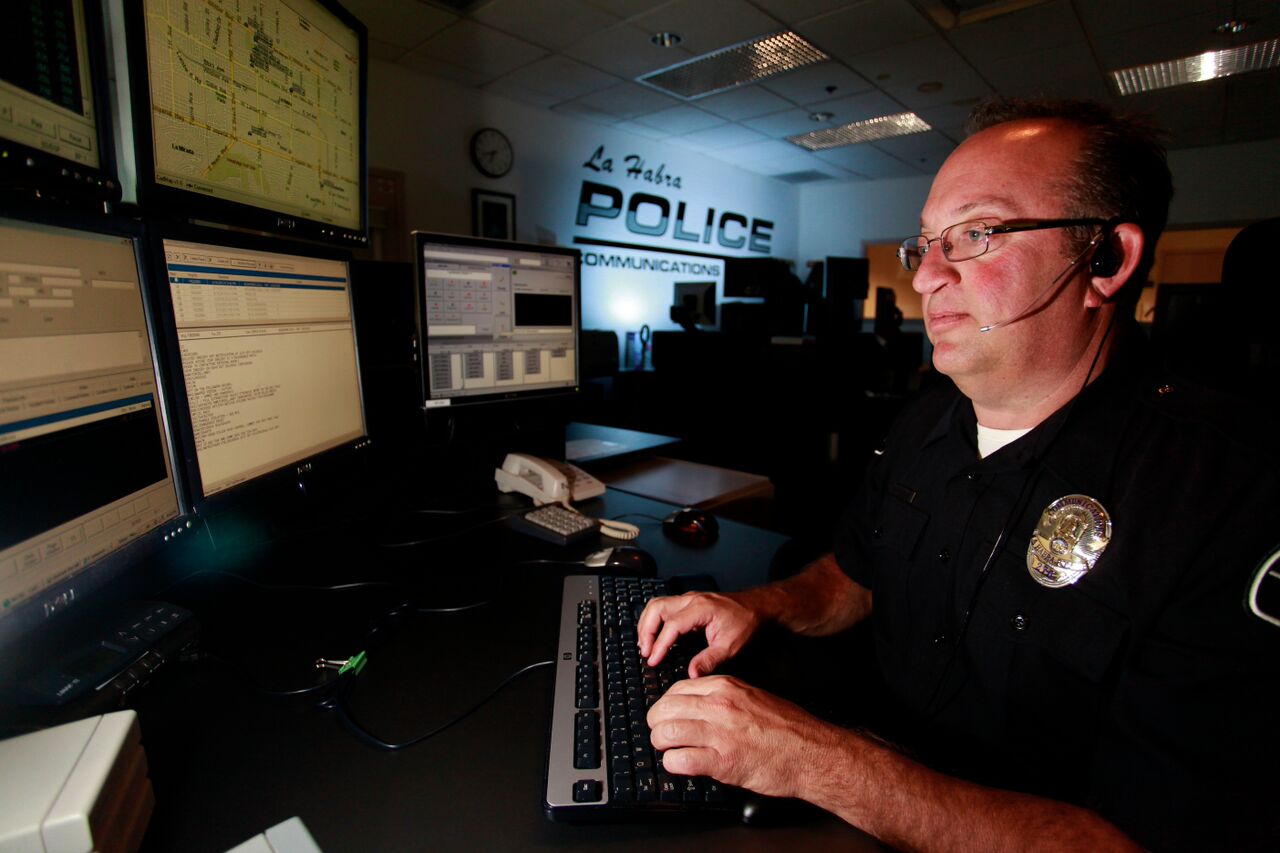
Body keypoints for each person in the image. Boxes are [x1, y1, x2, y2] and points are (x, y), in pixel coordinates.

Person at [637, 98, 1280, 851]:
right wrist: (760, 605)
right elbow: (853, 574)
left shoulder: (1229, 494)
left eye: (976, 234)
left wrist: (818, 763)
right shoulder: (926, 422)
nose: (926, 278)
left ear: (1106, 259)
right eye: (925, 243)